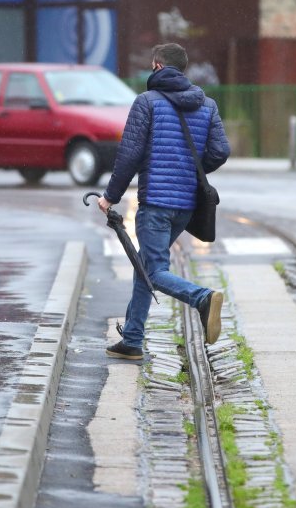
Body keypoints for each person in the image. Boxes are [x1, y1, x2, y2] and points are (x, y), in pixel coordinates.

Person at [97, 43, 230, 360]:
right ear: (181, 69)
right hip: (185, 206)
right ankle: (132, 338)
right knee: (145, 265)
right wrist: (190, 170)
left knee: (154, 271)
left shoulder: (147, 103)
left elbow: (129, 154)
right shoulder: (207, 105)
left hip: (156, 202)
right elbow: (220, 151)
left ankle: (202, 298)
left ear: (157, 66)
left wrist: (110, 196)